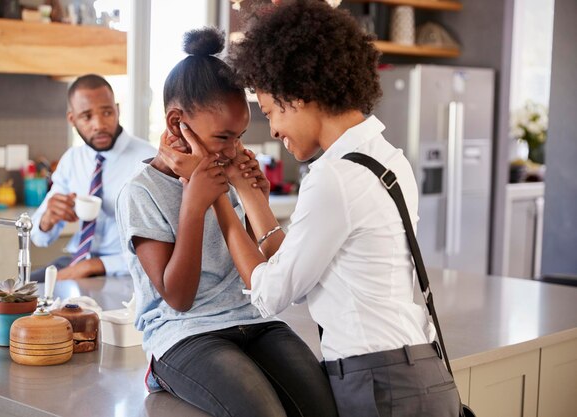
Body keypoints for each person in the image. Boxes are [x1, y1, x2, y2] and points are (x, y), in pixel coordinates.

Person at [181, 1, 460, 416]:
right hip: (420, 372)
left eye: (272, 110)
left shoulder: (334, 178)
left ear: (300, 94)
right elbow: (297, 274)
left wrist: (216, 198)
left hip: (376, 384)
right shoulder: (386, 158)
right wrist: (250, 196)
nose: (273, 127)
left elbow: (272, 294)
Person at [115, 28, 337, 417]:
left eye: (239, 136)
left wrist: (255, 200)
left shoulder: (222, 173)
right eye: (223, 137)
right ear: (175, 123)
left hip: (251, 320)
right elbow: (178, 298)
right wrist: (194, 204)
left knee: (323, 407)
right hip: (184, 335)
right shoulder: (141, 192)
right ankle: (161, 374)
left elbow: (252, 269)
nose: (234, 150)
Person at [30, 74, 156, 282]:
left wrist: (94, 266)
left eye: (107, 112)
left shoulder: (148, 161)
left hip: (126, 268)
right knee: (19, 294)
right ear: (72, 119)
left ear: (117, 110)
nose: (99, 125)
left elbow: (164, 245)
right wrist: (47, 220)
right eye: (87, 116)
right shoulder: (72, 159)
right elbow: (39, 238)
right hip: (76, 260)